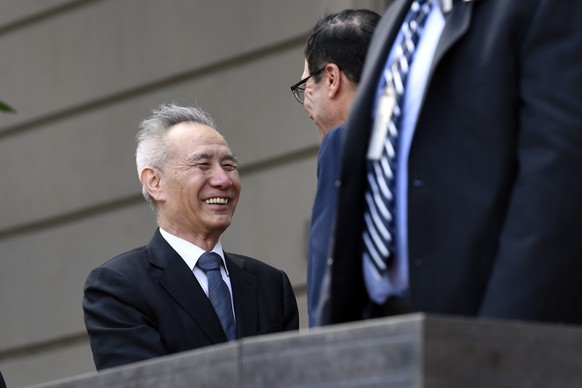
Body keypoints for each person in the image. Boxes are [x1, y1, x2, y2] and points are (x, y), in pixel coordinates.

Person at [318, 0, 582, 326]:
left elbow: (556, 176)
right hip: (377, 334)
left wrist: (500, 339)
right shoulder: (398, 18)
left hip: (479, 333)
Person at [83, 104, 299, 370]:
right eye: (203, 165)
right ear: (155, 182)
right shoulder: (119, 286)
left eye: (229, 165)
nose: (223, 180)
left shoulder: (270, 284)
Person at [290, 9, 380, 326]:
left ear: (331, 78)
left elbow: (328, 270)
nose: (306, 104)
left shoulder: (341, 142)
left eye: (305, 85)